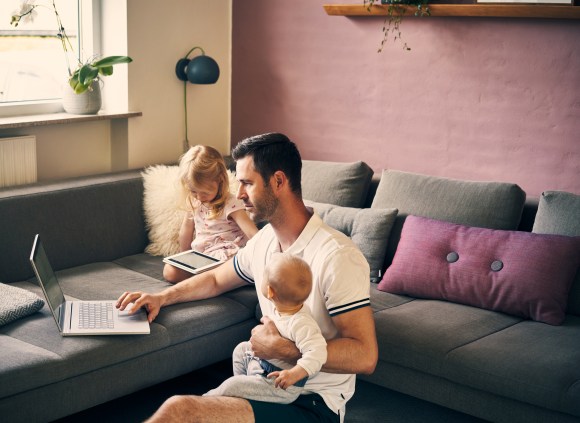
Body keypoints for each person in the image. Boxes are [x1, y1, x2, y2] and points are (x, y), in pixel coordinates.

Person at [117, 133, 378, 423]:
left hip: (313, 402)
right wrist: (161, 297)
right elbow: (216, 279)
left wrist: (287, 350)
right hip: (264, 383)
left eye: (247, 183)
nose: (239, 194)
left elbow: (365, 356)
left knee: (180, 411)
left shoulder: (337, 255)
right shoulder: (264, 240)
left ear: (278, 182)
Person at [204, 253, 327, 404]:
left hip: (281, 385)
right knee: (241, 349)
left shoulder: (301, 324)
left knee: (231, 386)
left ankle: (205, 400)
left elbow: (319, 353)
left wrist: (294, 374)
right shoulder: (285, 308)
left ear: (270, 292)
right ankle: (246, 389)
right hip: (266, 366)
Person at [163, 145, 258, 283]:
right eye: (194, 191)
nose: (199, 197)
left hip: (225, 256)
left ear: (220, 180)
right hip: (202, 257)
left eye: (205, 192)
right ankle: (202, 279)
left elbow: (252, 233)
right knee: (169, 271)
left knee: (227, 267)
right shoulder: (194, 202)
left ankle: (208, 280)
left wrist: (261, 255)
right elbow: (186, 230)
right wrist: (184, 257)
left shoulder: (231, 204)